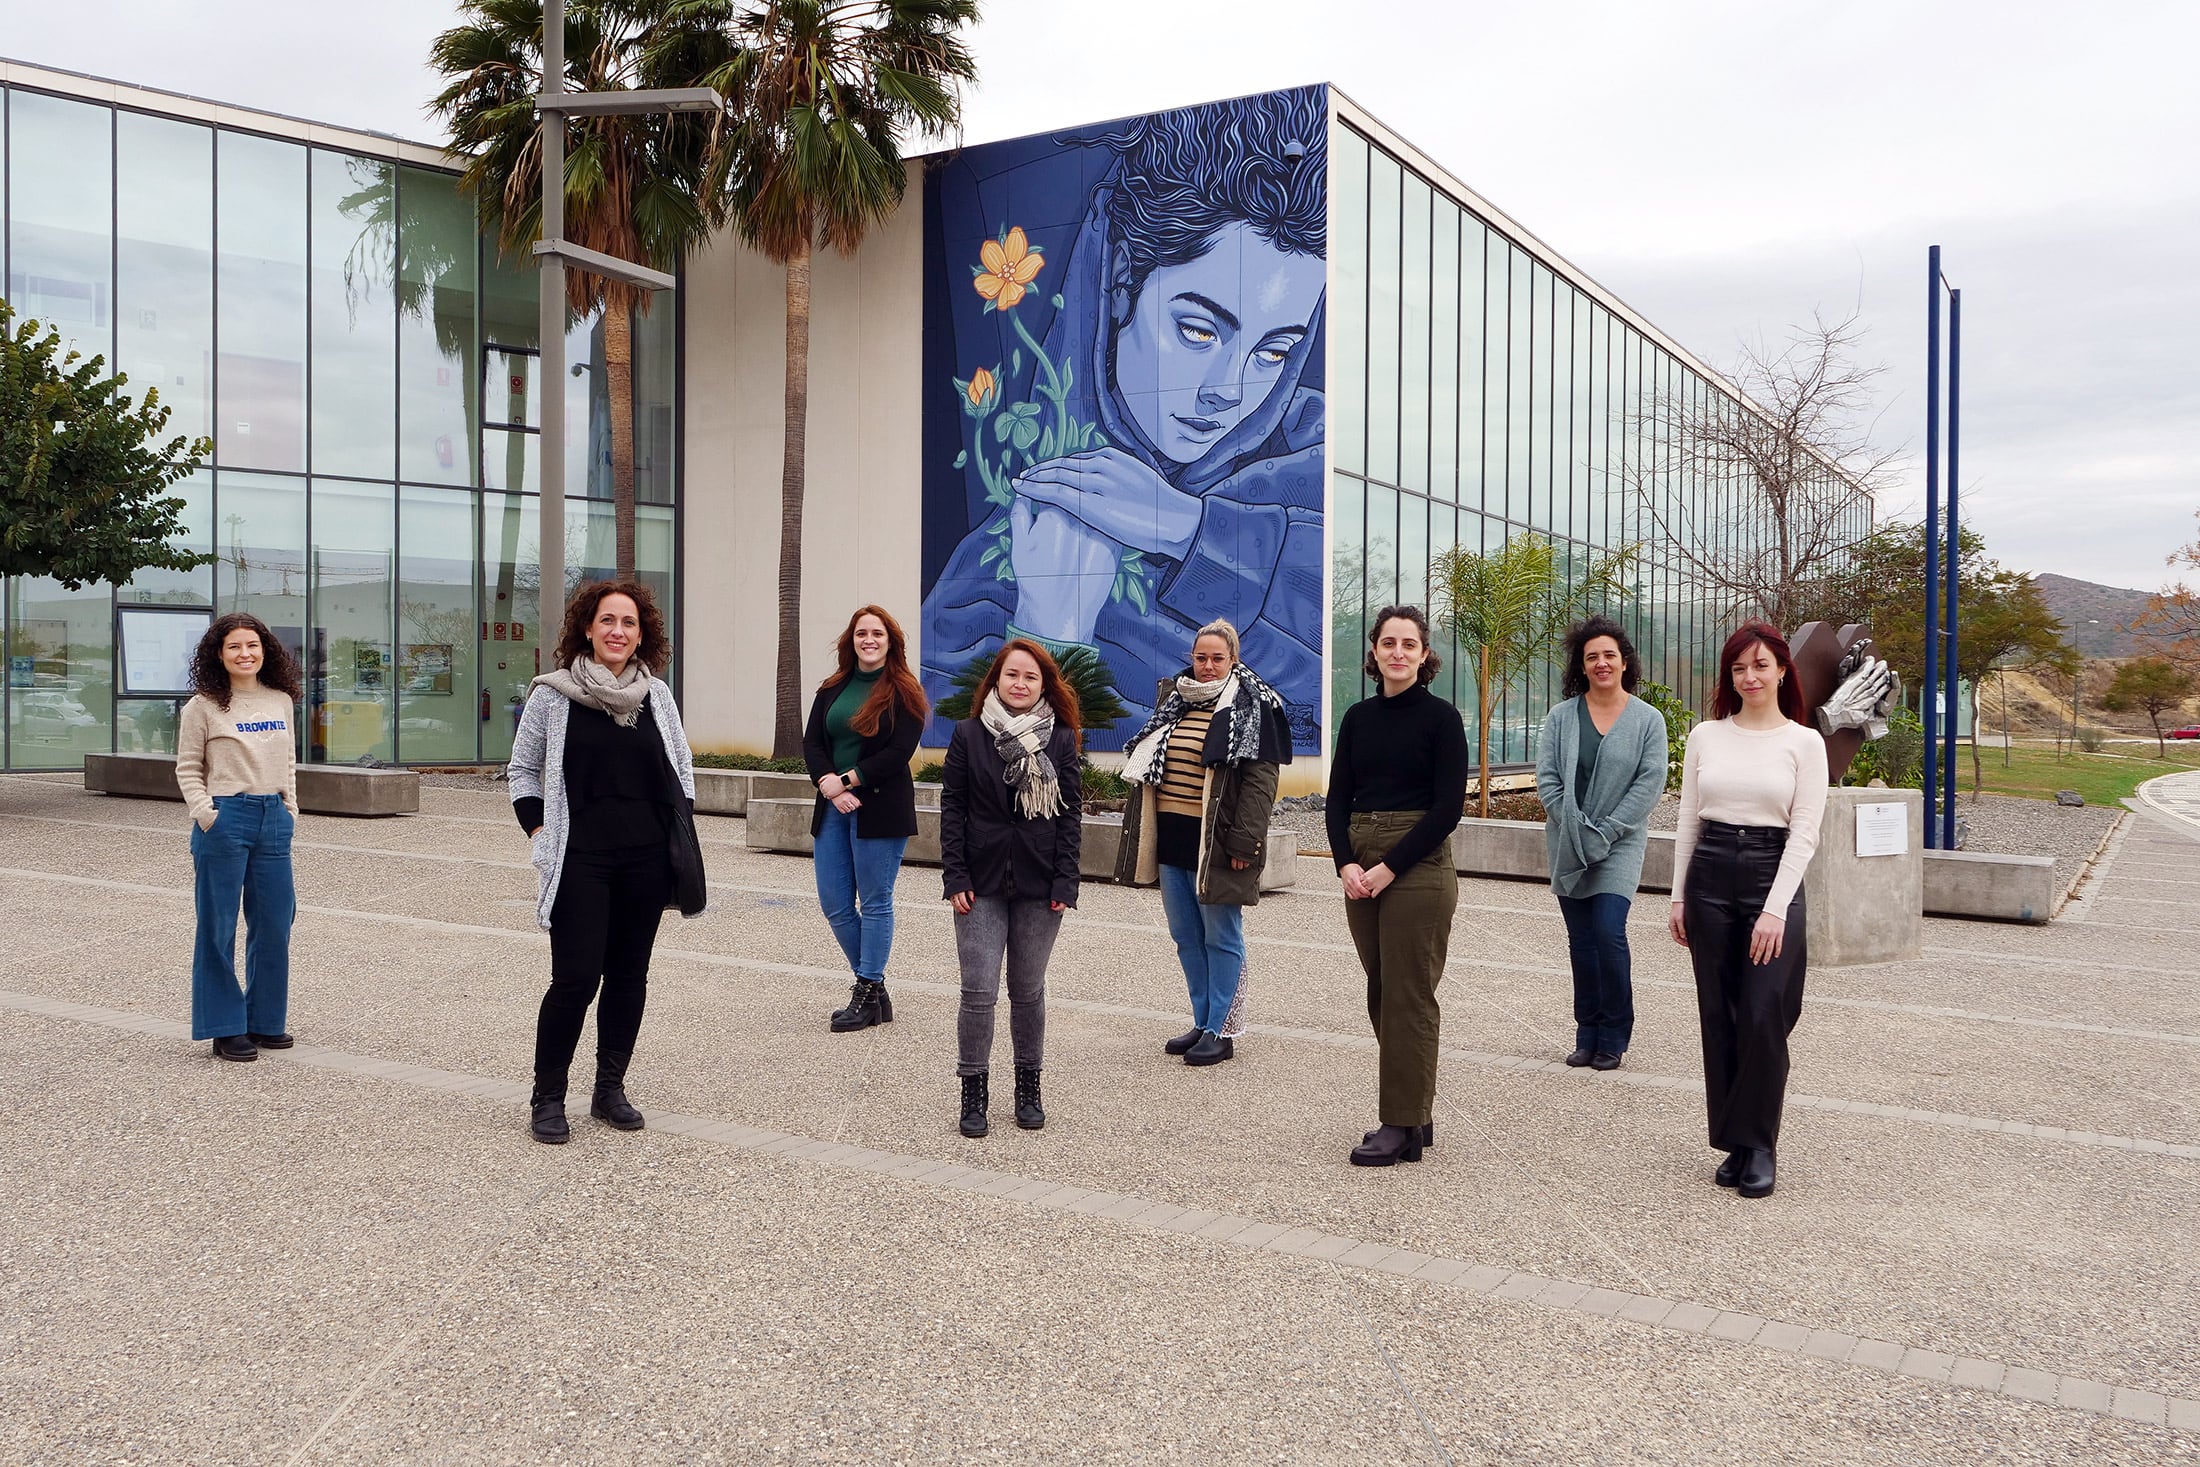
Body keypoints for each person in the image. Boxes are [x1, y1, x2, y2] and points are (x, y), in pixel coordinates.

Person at [921, 87, 1328, 752]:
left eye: (1274, 350)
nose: (1230, 391)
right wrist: (1047, 629)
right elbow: (961, 753)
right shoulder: (1030, 541)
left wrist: (1189, 526)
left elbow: (1323, 666)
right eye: (1198, 330)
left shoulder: (1314, 463)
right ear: (1116, 279)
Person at [510, 579, 700, 1146]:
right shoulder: (553, 694)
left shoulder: (657, 696)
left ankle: (609, 1088)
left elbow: (681, 769)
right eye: (608, 621)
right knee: (573, 980)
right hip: (580, 862)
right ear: (587, 629)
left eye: (630, 624)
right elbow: (522, 771)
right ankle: (548, 1097)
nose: (619, 632)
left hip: (646, 861)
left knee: (628, 978)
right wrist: (541, 831)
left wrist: (676, 833)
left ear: (643, 635)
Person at [1669, 620, 1829, 1199]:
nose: (1750, 676)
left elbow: (1805, 833)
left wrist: (1775, 909)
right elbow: (1688, 818)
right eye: (1739, 667)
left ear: (1783, 670)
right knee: (1721, 1014)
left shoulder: (1803, 742)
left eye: (1761, 665)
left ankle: (1760, 1142)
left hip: (1771, 875)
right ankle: (1735, 1142)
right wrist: (1680, 896)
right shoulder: (1706, 736)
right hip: (1709, 873)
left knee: (1765, 1015)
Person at [1325, 607, 1469, 1167]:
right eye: (1389, 643)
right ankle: (1417, 1109)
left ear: (1425, 653)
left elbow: (1447, 808)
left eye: (1409, 643)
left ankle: (1401, 1124)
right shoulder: (1359, 718)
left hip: (1418, 864)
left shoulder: (1441, 719)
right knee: (1383, 992)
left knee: (1409, 994)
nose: (1398, 652)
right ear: (1375, 652)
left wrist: (1389, 867)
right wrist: (1345, 864)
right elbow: (1338, 798)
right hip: (1359, 861)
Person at [1115, 617, 1292, 1066]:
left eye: (1218, 658)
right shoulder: (1174, 702)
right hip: (1172, 840)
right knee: (1186, 936)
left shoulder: (1252, 706)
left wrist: (1243, 845)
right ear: (1191, 658)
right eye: (1201, 657)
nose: (1208, 666)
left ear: (1234, 660)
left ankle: (1223, 1029)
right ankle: (1201, 1020)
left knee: (1222, 935)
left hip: (1216, 843)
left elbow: (1259, 784)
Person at [939, 640, 1083, 1138]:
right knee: (978, 991)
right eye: (1011, 675)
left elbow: (1069, 815)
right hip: (978, 883)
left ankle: (1028, 1088)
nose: (1020, 684)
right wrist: (954, 876)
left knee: (1027, 991)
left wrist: (1067, 879)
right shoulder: (967, 735)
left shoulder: (1061, 740)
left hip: (1041, 883)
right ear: (995, 681)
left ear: (1044, 685)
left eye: (1031, 677)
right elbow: (952, 809)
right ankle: (973, 1092)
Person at [1534, 615, 1670, 1072]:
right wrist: (1576, 829)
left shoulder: (1648, 720)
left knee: (1609, 933)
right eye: (1592, 656)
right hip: (1569, 843)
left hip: (1621, 843)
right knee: (1581, 943)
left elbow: (1649, 784)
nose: (1601, 663)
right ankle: (1586, 1033)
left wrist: (1607, 831)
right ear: (1581, 664)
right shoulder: (1561, 717)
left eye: (1609, 654)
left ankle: (1613, 1035)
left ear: (1625, 661)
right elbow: (1548, 781)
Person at [176, 613, 303, 1062]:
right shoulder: (203, 707)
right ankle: (225, 1027)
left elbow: (287, 759)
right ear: (219, 653)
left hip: (273, 816)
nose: (244, 653)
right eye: (234, 646)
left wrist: (289, 806)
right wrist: (206, 813)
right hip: (225, 816)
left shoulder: (280, 700)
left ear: (265, 650)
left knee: (274, 923)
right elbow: (188, 767)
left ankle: (264, 1020)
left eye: (252, 645)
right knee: (218, 926)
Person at [803, 606, 929, 1032]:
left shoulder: (905, 691)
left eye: (877, 633)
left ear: (890, 641)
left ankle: (866, 990)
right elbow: (813, 742)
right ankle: (875, 990)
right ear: (850, 640)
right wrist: (827, 784)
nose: (869, 640)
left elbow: (899, 753)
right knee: (835, 904)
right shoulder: (832, 688)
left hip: (881, 807)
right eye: (861, 633)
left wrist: (847, 780)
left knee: (875, 903)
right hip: (833, 807)